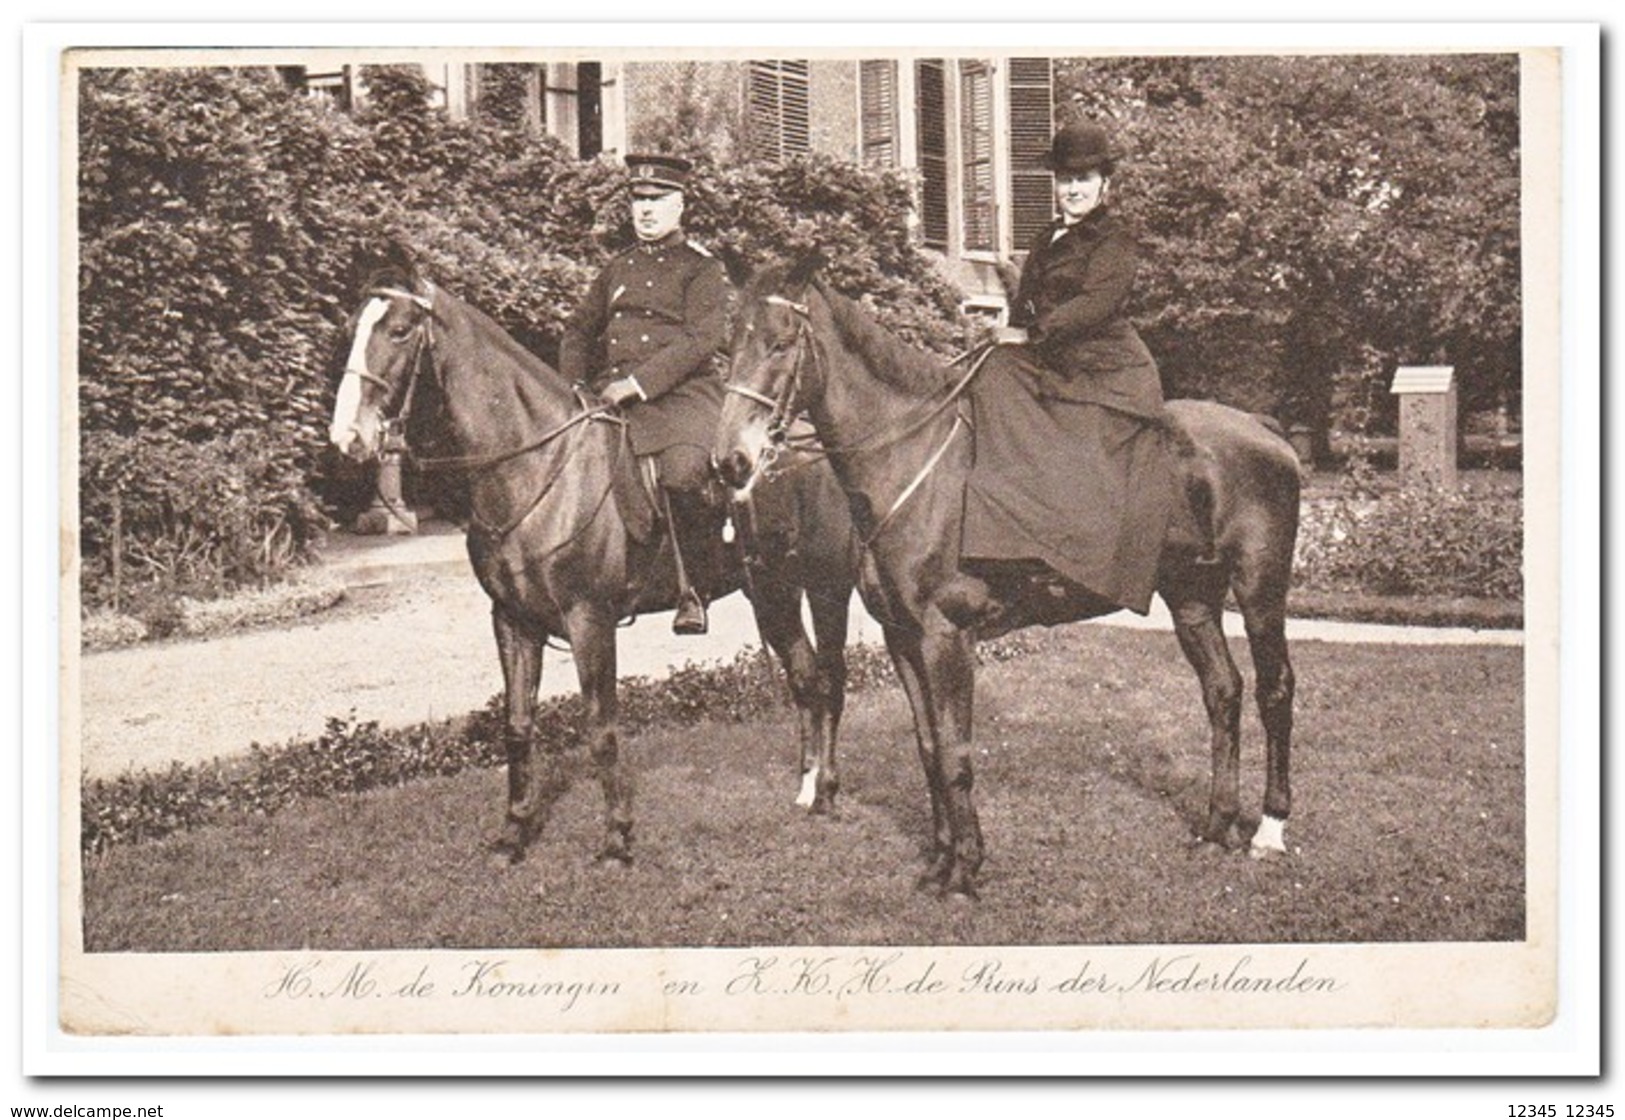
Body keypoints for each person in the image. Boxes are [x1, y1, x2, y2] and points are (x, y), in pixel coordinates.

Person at [961, 120, 1200, 618]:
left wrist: (1032, 334)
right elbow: (1027, 303)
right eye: (1065, 180)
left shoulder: (1115, 239)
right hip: (1055, 363)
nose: (1072, 189)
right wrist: (1005, 332)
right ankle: (1000, 531)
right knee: (989, 374)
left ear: (1104, 184)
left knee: (1074, 447)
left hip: (1106, 371)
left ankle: (1071, 550)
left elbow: (1097, 303)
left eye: (1083, 179)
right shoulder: (1048, 236)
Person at [559, 153, 730, 634]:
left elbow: (702, 341)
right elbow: (578, 330)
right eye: (638, 200)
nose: (646, 210)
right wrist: (573, 388)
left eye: (658, 200)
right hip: (611, 398)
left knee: (680, 475)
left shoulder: (702, 268)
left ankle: (694, 588)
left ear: (681, 206)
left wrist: (637, 385)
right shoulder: (618, 268)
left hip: (681, 398)